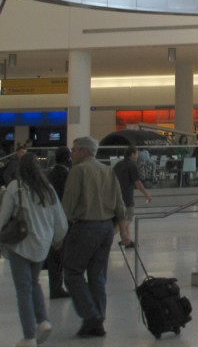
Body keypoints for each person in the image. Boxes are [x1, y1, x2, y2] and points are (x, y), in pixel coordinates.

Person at [61, 135, 130, 338]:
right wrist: (123, 229)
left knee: (72, 272)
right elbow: (120, 202)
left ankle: (91, 316)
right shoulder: (107, 170)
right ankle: (98, 318)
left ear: (83, 151)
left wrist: (61, 231)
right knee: (97, 276)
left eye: (74, 150)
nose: (72, 153)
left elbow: (69, 203)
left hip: (85, 228)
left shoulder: (78, 170)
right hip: (106, 229)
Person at [1, 152, 68, 347]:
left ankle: (29, 336)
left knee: (23, 290)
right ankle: (43, 321)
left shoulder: (16, 187)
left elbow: (3, 217)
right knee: (33, 282)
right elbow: (60, 221)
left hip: (20, 245)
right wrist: (57, 239)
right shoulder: (48, 190)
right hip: (42, 246)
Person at [112, 145, 152, 248]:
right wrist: (147, 195)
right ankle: (109, 235)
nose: (138, 156)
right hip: (126, 196)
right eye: (137, 153)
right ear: (132, 154)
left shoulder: (118, 165)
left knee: (122, 218)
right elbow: (137, 183)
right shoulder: (132, 166)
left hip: (116, 195)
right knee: (128, 218)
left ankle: (127, 241)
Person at [45, 147, 72, 300]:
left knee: (55, 255)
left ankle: (55, 286)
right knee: (60, 255)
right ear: (67, 158)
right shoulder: (66, 175)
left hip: (51, 219)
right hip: (63, 220)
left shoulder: (50, 174)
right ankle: (57, 288)